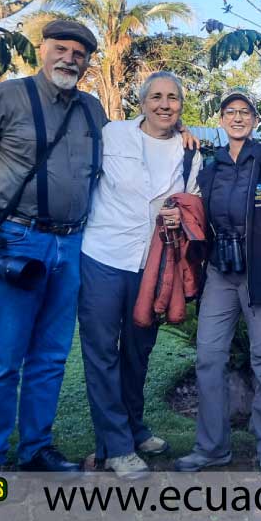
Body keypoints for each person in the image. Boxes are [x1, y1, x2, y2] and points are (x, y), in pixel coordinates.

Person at [0, 22, 195, 472]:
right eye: (60, 49)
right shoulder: (8, 97)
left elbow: (146, 135)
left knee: (51, 357)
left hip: (71, 243)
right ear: (43, 50)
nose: (69, 59)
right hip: (17, 238)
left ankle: (36, 449)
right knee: (5, 357)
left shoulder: (92, 111)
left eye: (79, 54)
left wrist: (190, 133)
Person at [78, 71, 202, 478]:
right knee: (101, 353)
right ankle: (116, 447)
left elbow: (195, 203)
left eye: (173, 98)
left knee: (138, 350)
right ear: (142, 101)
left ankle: (132, 428)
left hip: (152, 265)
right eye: (157, 97)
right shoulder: (112, 134)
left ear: (181, 106)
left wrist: (179, 212)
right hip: (103, 256)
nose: (164, 105)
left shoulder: (189, 154)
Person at [175, 89, 261, 473]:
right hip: (220, 275)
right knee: (208, 359)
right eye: (230, 111)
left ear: (254, 120)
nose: (237, 117)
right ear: (220, 118)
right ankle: (213, 447)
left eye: (244, 112)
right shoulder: (210, 166)